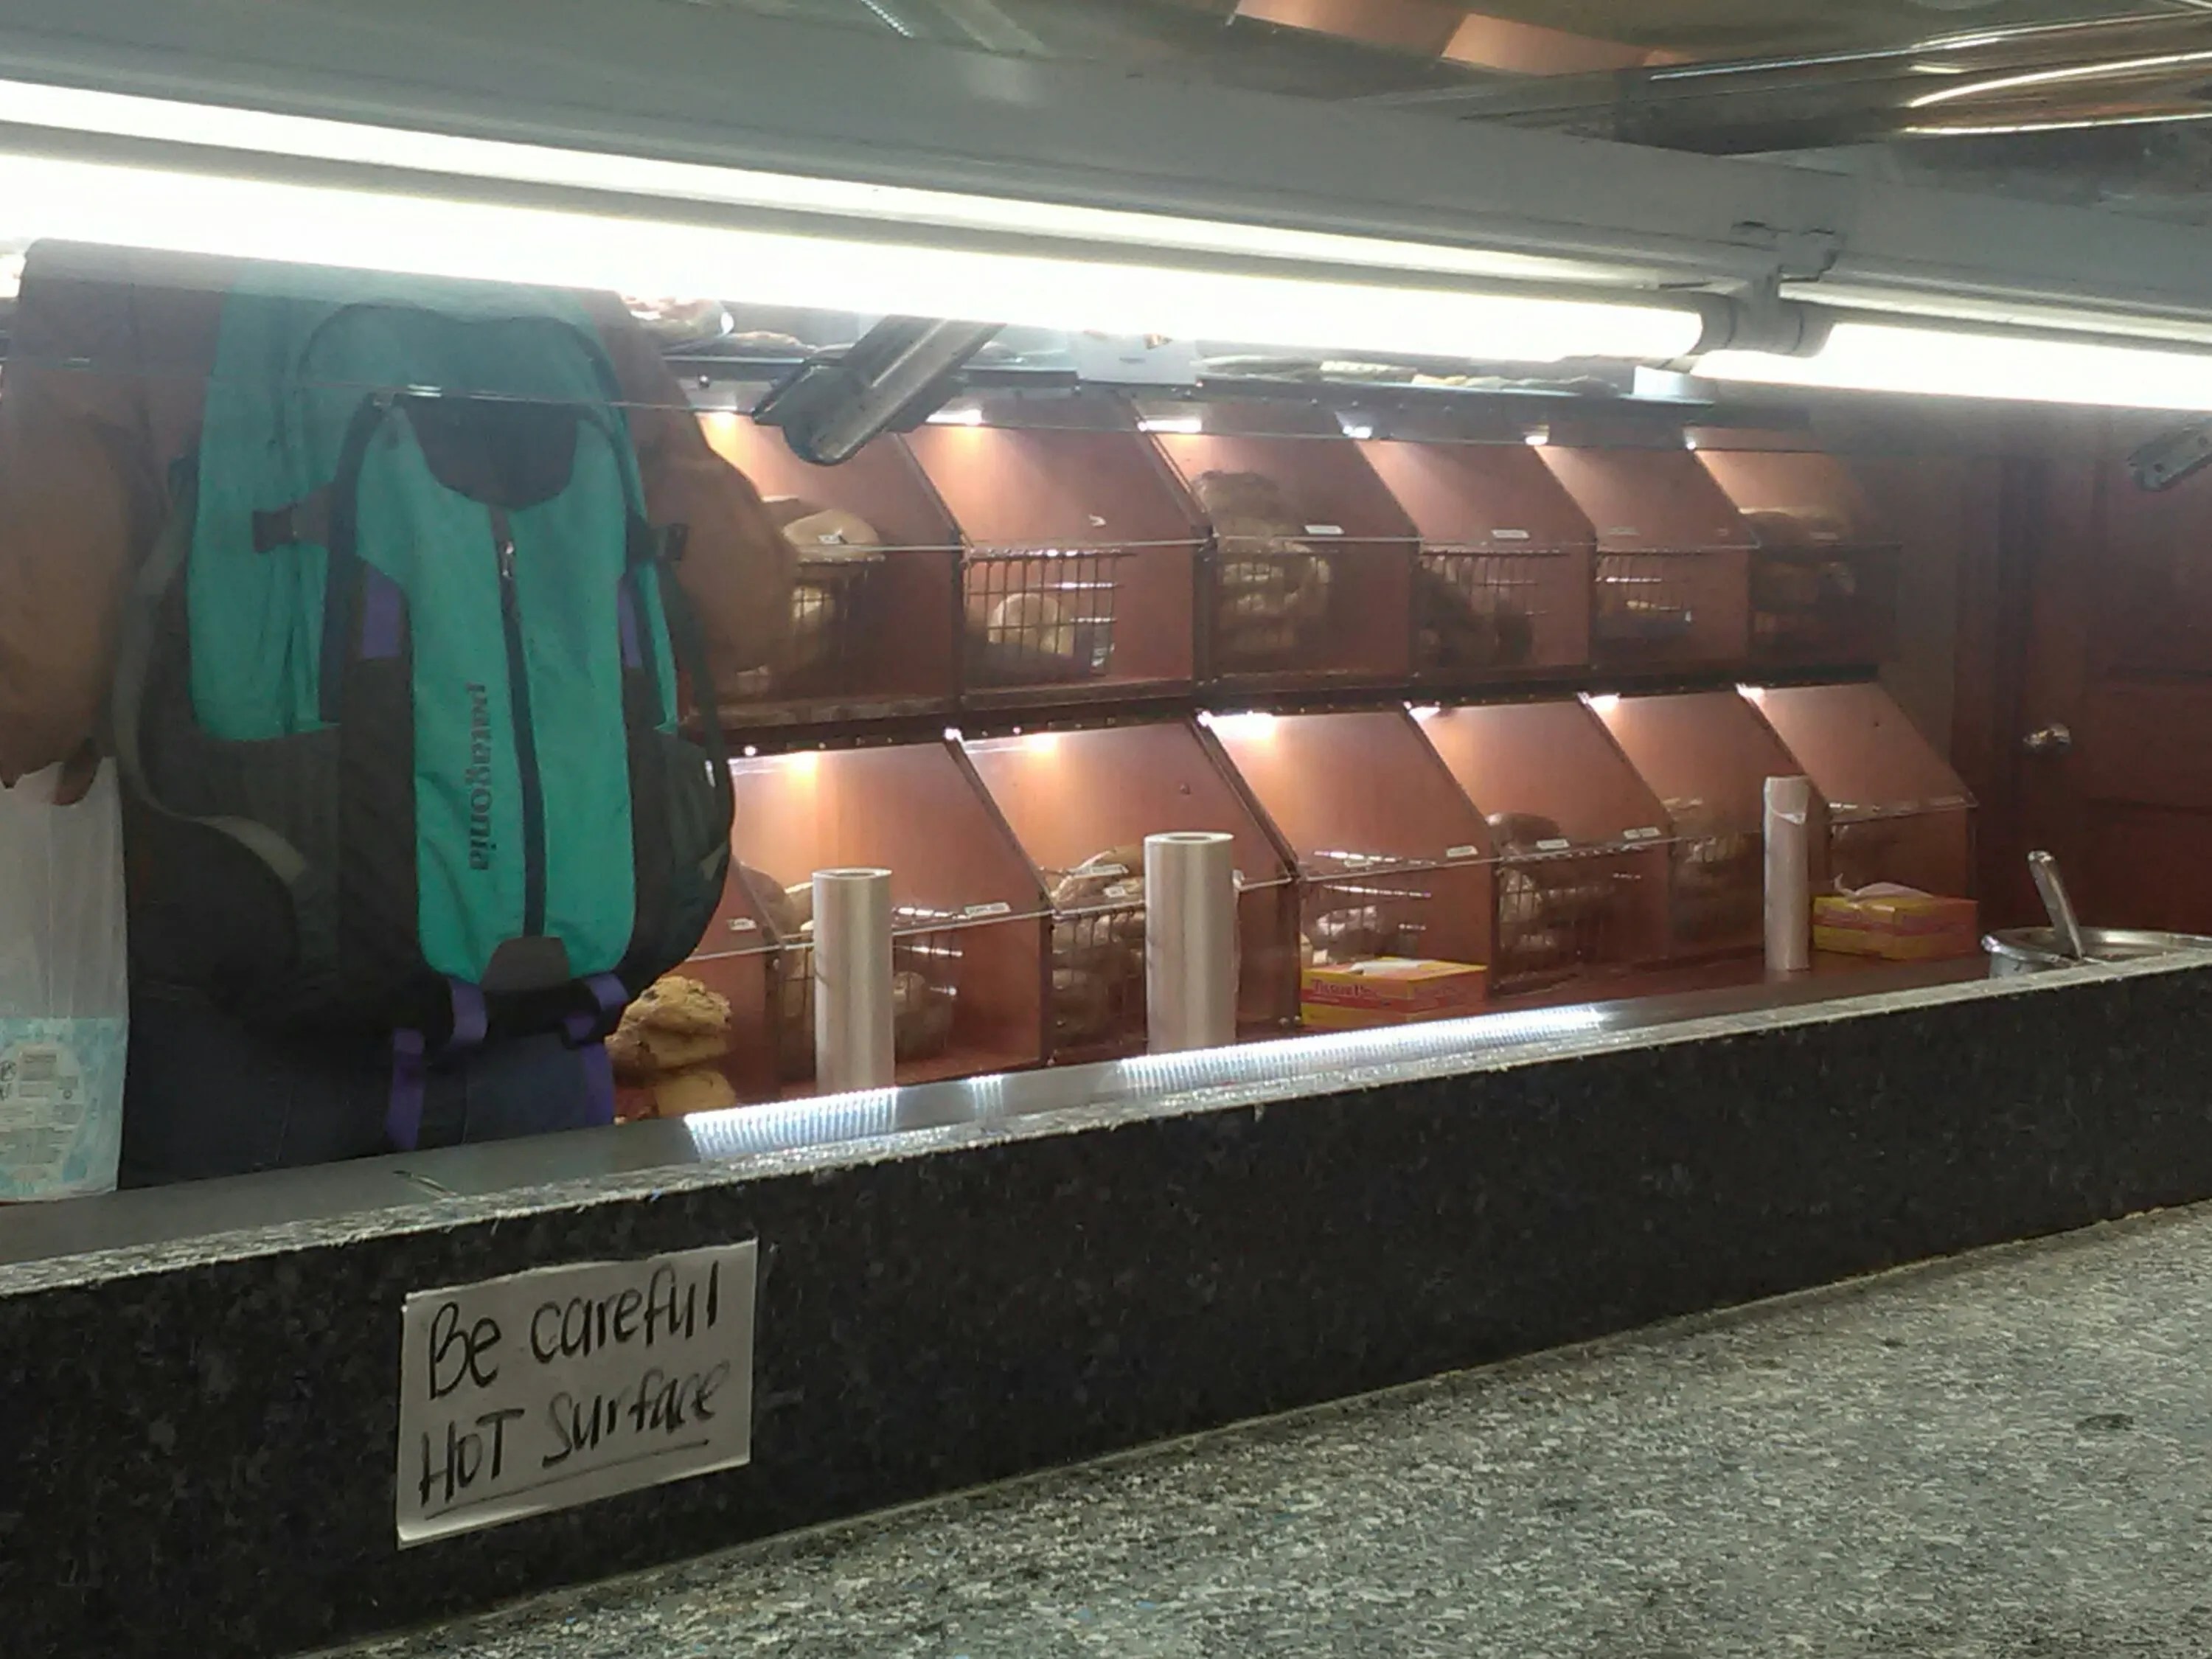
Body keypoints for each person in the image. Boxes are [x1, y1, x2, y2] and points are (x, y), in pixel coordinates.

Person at [0, 241, 793, 1183]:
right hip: (541, 1002)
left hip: (252, 1005)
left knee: (236, 1284)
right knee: (531, 1271)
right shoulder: (543, 266)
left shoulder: (118, 260)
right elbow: (746, 605)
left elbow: (38, 678)